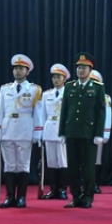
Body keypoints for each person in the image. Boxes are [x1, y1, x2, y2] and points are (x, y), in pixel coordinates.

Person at [0, 54, 42, 208]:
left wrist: (37, 133)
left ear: (27, 71)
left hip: (24, 131)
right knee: (9, 165)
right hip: (7, 130)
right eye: (15, 68)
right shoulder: (5, 89)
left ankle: (21, 197)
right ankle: (9, 196)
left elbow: (38, 114)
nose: (17, 71)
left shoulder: (34, 90)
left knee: (22, 164)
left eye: (21, 68)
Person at [59, 53, 106, 209]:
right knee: (72, 167)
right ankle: (75, 196)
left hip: (88, 133)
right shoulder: (69, 86)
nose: (80, 70)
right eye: (79, 67)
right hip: (72, 131)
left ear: (90, 70)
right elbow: (64, 110)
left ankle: (87, 196)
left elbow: (101, 112)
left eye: (84, 68)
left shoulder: (97, 87)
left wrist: (99, 133)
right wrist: (62, 132)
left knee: (88, 168)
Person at [38, 64, 70, 200]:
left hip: (62, 129)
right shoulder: (46, 94)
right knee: (51, 161)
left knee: (62, 161)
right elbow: (42, 115)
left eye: (59, 77)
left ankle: (62, 189)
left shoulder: (68, 93)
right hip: (49, 128)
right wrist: (41, 132)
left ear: (64, 79)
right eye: (54, 77)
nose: (56, 80)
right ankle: (53, 189)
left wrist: (67, 132)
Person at [89, 70, 112, 194]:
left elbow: (107, 116)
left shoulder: (105, 97)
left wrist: (105, 133)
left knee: (97, 159)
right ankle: (85, 183)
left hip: (98, 131)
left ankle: (95, 184)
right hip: (84, 131)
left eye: (95, 81)